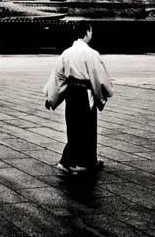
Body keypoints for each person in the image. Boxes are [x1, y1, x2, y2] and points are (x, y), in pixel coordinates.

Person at [43, 21, 114, 175]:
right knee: (88, 127)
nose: (92, 34)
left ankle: (70, 161)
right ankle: (85, 162)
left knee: (73, 126)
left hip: (71, 93)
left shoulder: (66, 53)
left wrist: (51, 96)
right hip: (86, 93)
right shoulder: (92, 54)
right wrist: (103, 95)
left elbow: (58, 77)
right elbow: (99, 78)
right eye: (91, 31)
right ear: (87, 32)